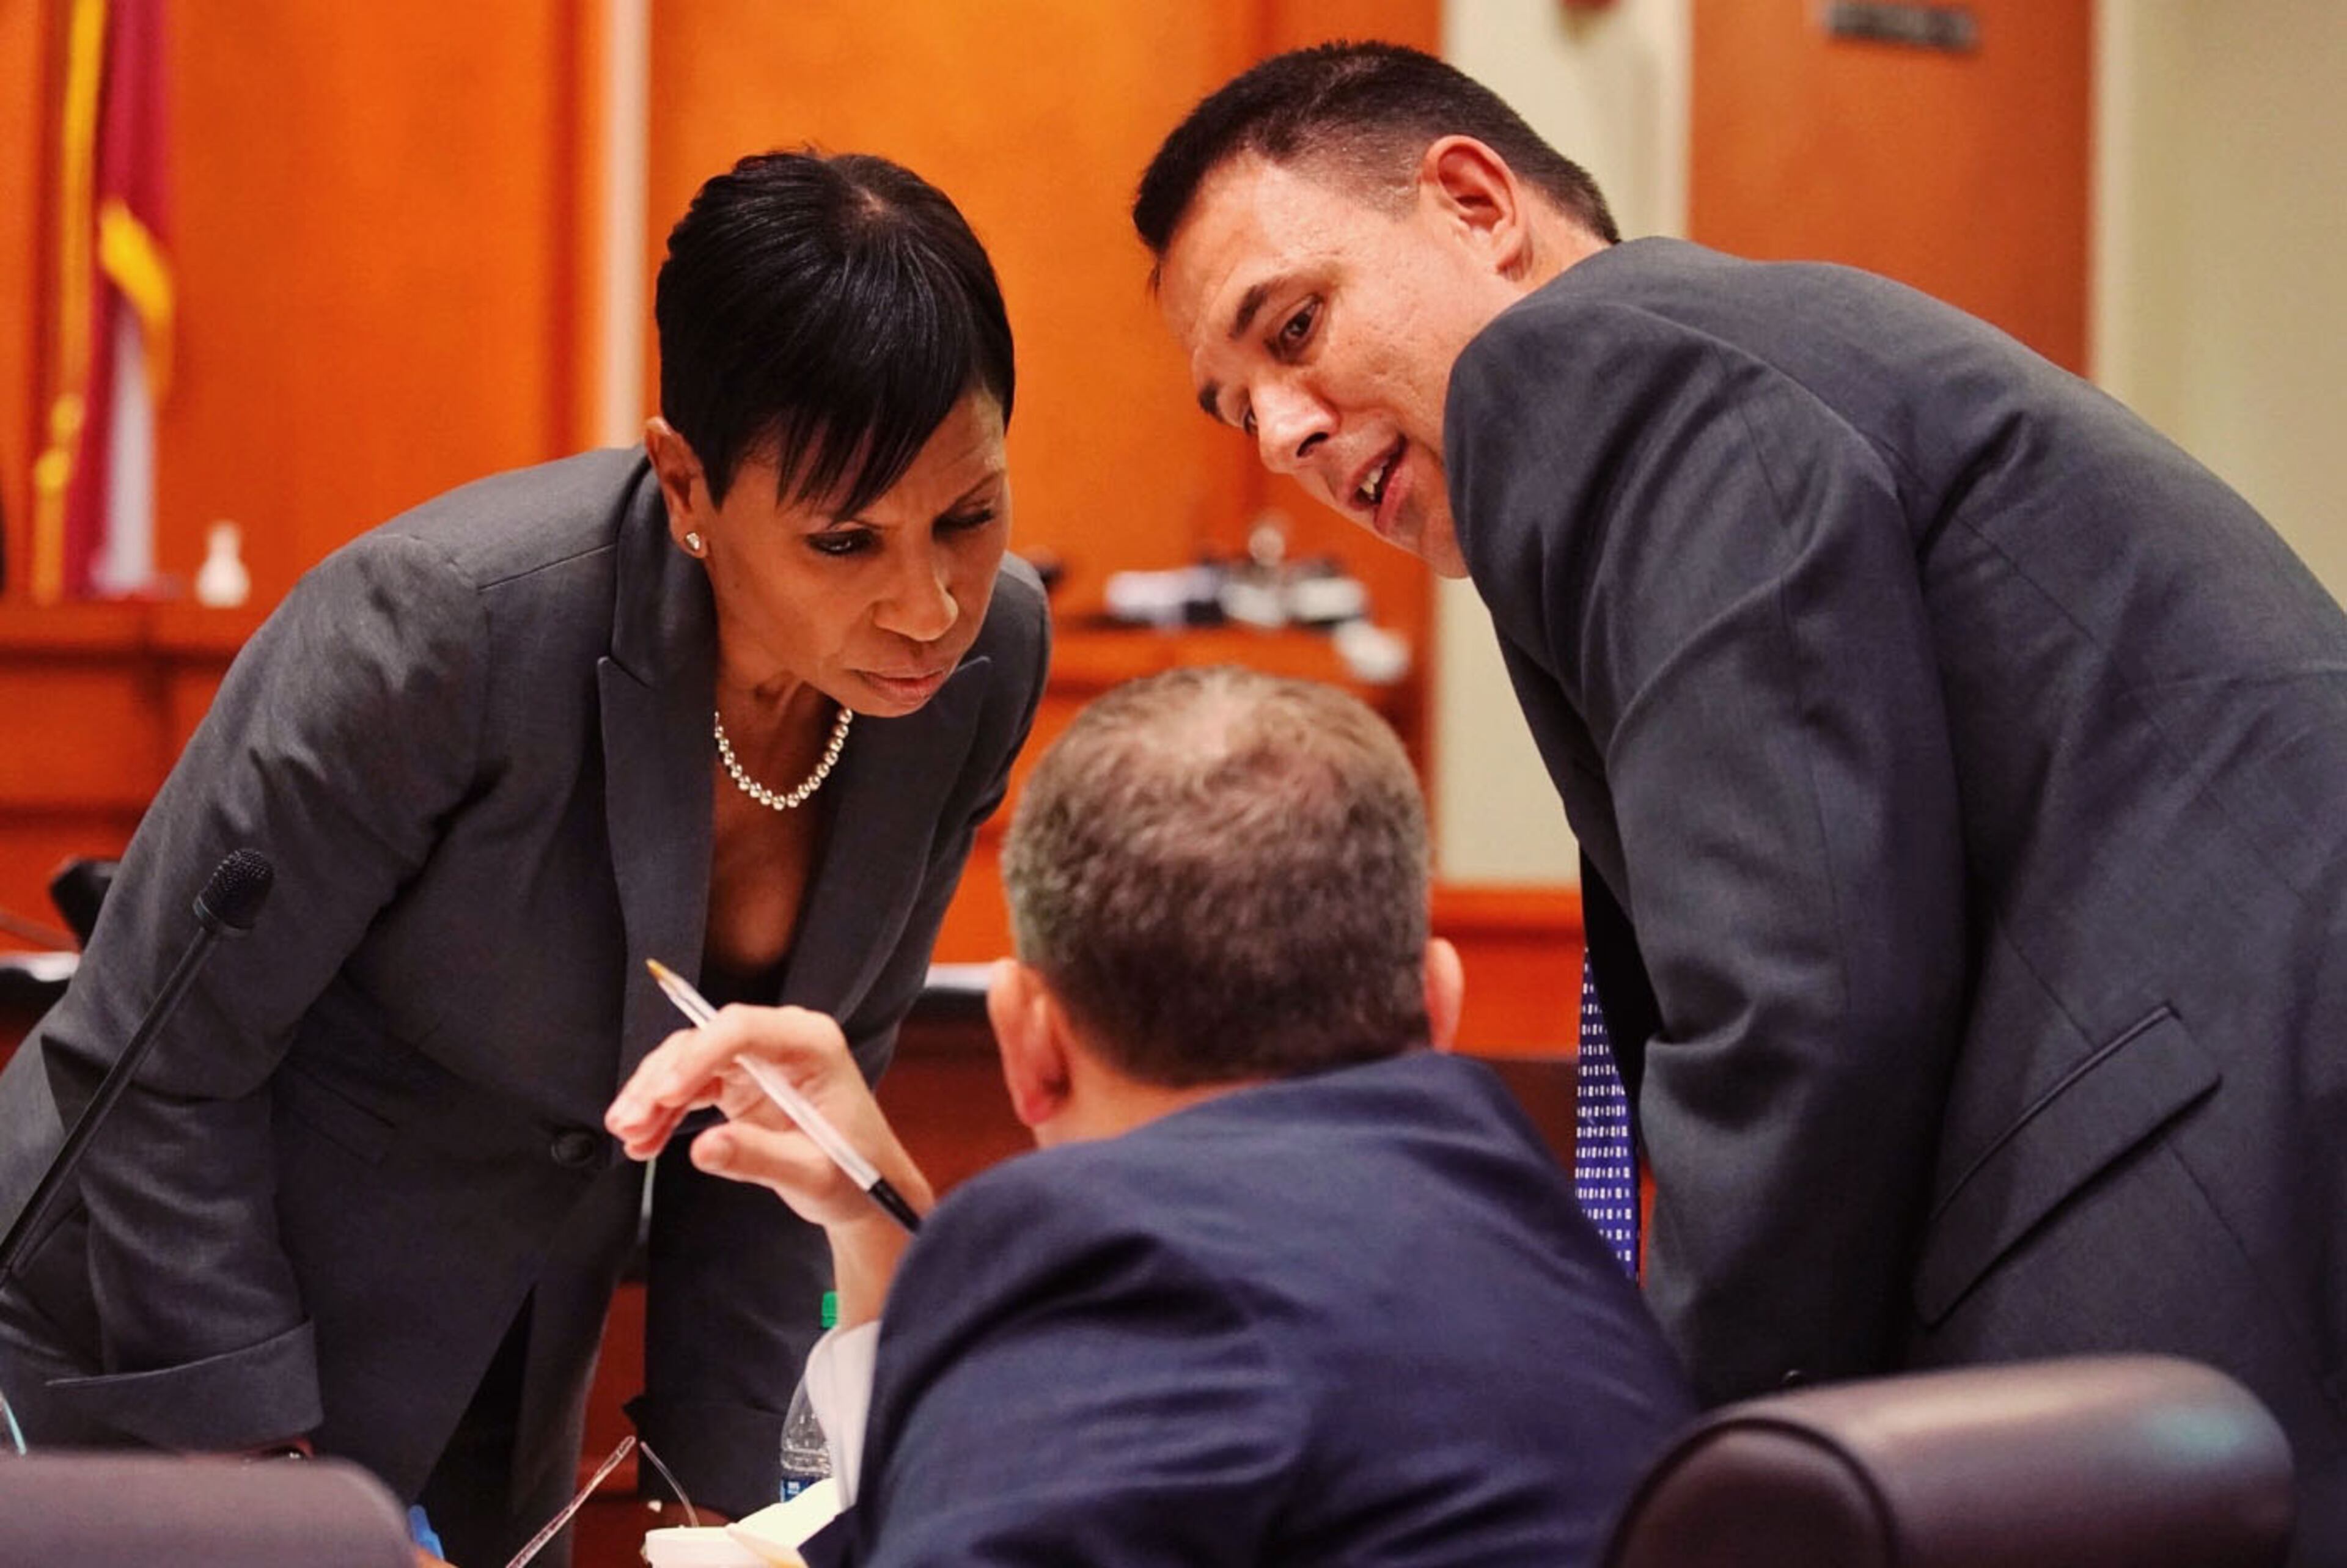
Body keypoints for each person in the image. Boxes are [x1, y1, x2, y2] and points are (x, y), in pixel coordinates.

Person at [1131, 40, 2347, 1555]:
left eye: (1296, 327)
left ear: (1473, 204)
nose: (1284, 435)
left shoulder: (1597, 362)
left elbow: (1806, 1001)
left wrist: (1660, 1480)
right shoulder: (1727, 353)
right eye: (1234, 406)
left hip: (2191, 1205)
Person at [0, 148, 1049, 1568]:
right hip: (155, 1343)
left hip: (503, 1373)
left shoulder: (984, 668)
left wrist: (724, 1517)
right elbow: (153, 1061)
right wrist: (285, 1498)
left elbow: (787, 1129)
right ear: (686, 480)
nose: (930, 604)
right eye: (845, 538)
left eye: (970, 516)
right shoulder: (445, 630)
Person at [607, 665, 1695, 1566]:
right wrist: (872, 1212)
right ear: (1440, 1000)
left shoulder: (1105, 1263)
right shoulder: (1564, 1259)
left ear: (1028, 1042)